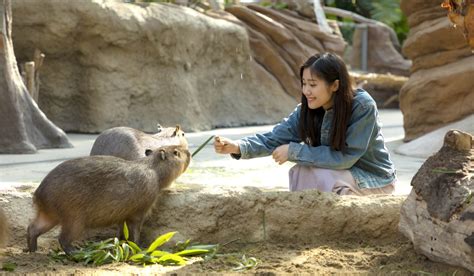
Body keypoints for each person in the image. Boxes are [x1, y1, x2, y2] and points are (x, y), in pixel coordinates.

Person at [213, 52, 396, 195]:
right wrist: (237, 147)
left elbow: (345, 157)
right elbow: (274, 138)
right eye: (304, 83)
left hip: (373, 180)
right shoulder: (307, 109)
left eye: (313, 84)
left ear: (335, 85)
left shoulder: (362, 107)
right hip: (340, 175)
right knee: (300, 171)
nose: (307, 90)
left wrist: (293, 151)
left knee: (319, 175)